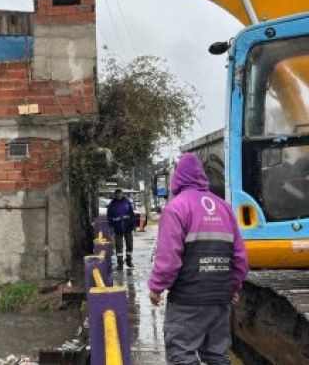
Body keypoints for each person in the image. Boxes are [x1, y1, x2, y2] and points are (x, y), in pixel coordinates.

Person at [147, 153, 248, 365]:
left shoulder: (176, 208)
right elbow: (240, 258)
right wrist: (234, 287)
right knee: (216, 356)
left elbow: (169, 259)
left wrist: (156, 287)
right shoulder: (224, 208)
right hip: (220, 300)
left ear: (178, 178)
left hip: (187, 300)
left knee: (181, 355)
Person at [106, 188, 135, 270]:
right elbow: (109, 216)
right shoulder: (112, 204)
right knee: (119, 246)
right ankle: (120, 263)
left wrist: (134, 225)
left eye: (120, 193)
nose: (119, 195)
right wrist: (111, 226)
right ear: (115, 195)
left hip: (127, 227)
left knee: (129, 244)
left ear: (122, 194)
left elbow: (131, 214)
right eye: (117, 194)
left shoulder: (127, 202)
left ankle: (129, 260)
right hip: (117, 228)